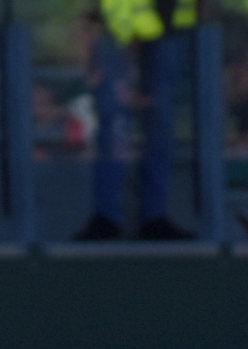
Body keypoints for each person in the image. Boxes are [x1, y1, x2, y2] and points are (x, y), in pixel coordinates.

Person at [76, 0, 196, 241]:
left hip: (170, 21)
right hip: (117, 22)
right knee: (114, 122)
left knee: (160, 121)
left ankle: (153, 215)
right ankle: (108, 216)